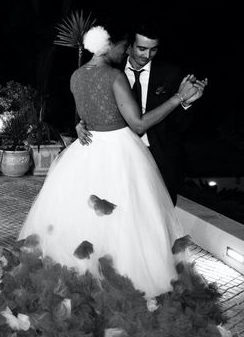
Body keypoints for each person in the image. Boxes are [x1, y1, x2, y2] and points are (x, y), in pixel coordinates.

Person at [18, 23, 206, 299]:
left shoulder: (76, 75)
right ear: (114, 45)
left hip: (87, 155)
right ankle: (130, 283)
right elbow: (138, 125)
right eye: (128, 46)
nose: (130, 52)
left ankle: (87, 282)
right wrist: (179, 97)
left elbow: (87, 109)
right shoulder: (115, 76)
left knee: (88, 222)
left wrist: (84, 124)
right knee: (128, 223)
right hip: (121, 154)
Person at [77, 23, 197, 205]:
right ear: (129, 47)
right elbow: (96, 106)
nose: (146, 55)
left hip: (159, 160)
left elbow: (181, 125)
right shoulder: (112, 72)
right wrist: (81, 123)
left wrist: (187, 102)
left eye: (153, 50)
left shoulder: (170, 74)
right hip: (118, 159)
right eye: (141, 48)